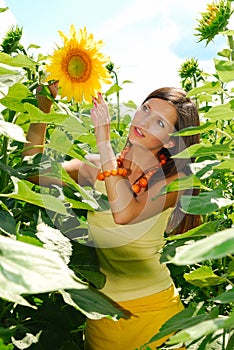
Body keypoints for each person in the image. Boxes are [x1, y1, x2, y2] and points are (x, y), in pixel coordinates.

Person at [23, 84, 200, 350]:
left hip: (156, 316)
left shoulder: (176, 181)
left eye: (159, 122)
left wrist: (104, 142)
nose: (144, 121)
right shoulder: (95, 167)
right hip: (102, 315)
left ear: (170, 141)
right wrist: (43, 105)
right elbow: (31, 170)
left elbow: (124, 213)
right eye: (145, 109)